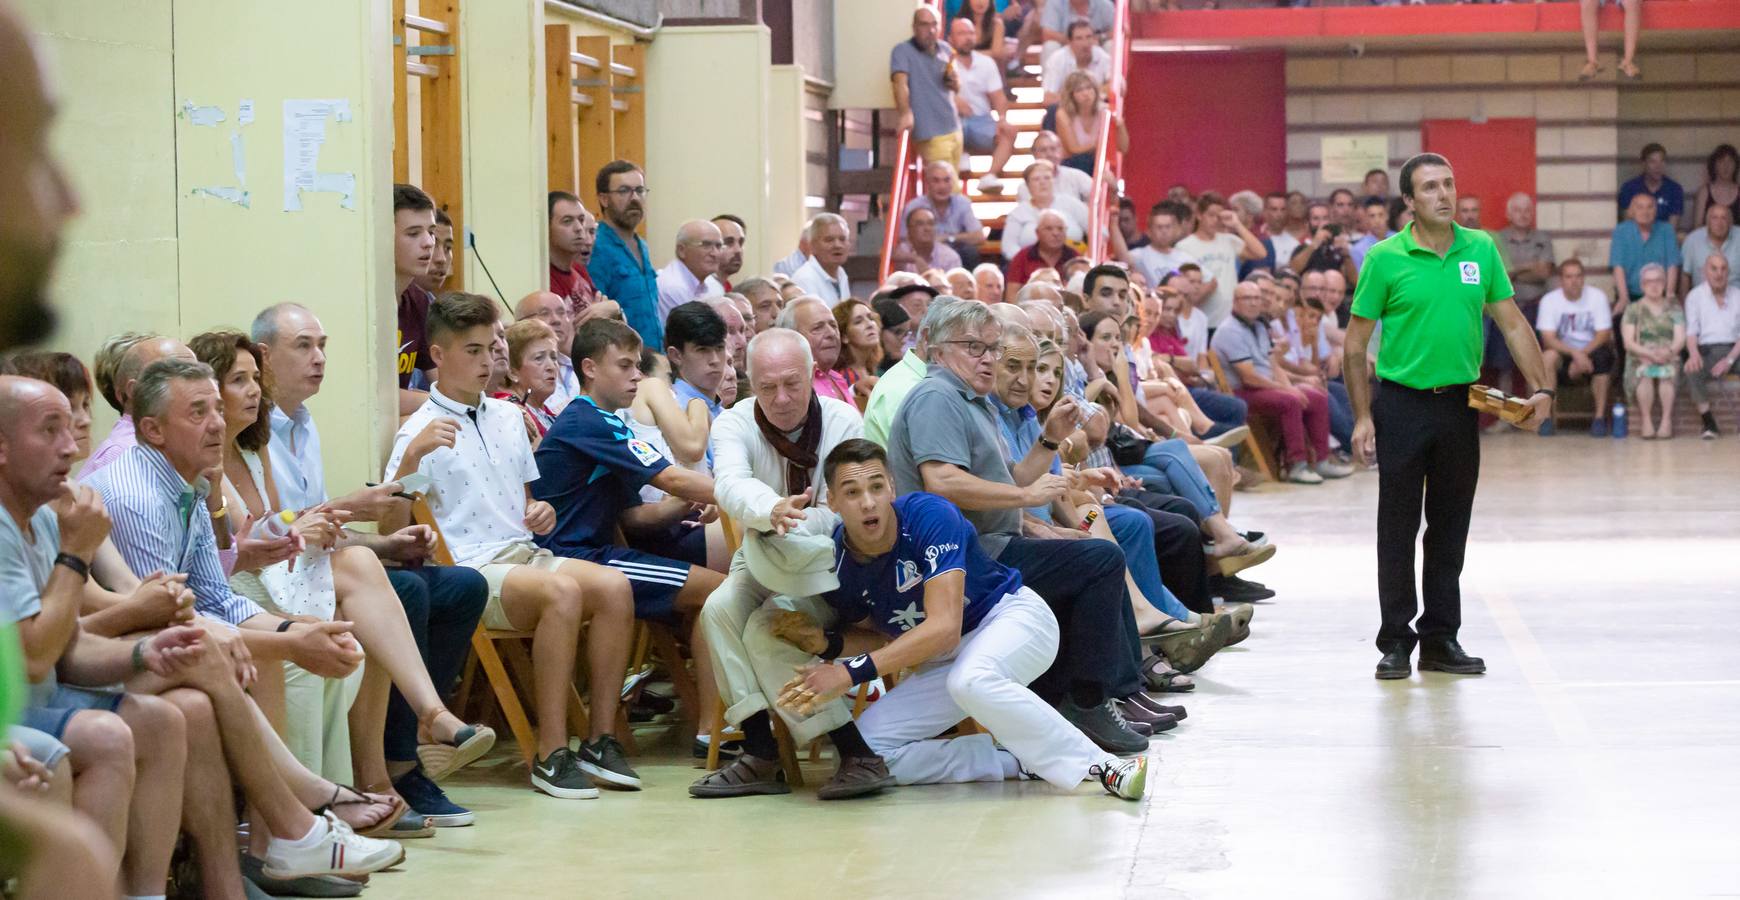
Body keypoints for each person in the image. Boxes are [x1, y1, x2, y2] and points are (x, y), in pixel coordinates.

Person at [80, 362, 412, 877]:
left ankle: (272, 851)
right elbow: (160, 617)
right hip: (124, 655)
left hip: (159, 648)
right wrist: (291, 641)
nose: (217, 422)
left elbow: (215, 597)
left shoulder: (189, 482)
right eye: (198, 411)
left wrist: (291, 631)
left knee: (268, 654)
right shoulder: (134, 495)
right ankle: (304, 813)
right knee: (224, 679)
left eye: (217, 407)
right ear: (152, 429)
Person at [775, 440, 1148, 800]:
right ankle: (1016, 761)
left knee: (971, 680)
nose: (868, 502)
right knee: (867, 751)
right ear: (833, 501)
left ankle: (1103, 767)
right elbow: (879, 634)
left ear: (891, 487)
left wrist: (848, 672)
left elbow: (944, 626)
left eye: (876, 486)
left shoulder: (929, 515)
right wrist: (828, 645)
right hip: (944, 661)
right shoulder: (837, 564)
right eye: (852, 492)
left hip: (1010, 619)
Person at [384, 293, 639, 799]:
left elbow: (525, 504)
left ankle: (600, 737)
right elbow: (393, 529)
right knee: (561, 593)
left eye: (491, 348)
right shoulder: (417, 431)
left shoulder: (507, 418)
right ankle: (550, 751)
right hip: (472, 568)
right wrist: (410, 458)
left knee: (614, 587)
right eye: (472, 351)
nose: (487, 361)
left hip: (522, 552)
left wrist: (538, 511)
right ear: (438, 355)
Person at [251, 303, 496, 828]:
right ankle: (393, 766)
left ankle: (416, 741)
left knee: (461, 586)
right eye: (304, 346)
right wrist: (361, 511)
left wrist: (388, 543)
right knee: (406, 592)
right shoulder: (251, 430)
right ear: (264, 357)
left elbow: (321, 533)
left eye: (323, 346)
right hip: (270, 572)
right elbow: (277, 529)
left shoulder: (302, 423)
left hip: (316, 563)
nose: (319, 359)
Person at [883, 300, 1152, 753]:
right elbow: (942, 482)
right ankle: (1086, 700)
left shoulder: (971, 400)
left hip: (992, 544)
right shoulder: (937, 398)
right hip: (961, 560)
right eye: (975, 347)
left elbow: (1012, 478)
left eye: (991, 347)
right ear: (939, 351)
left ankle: (1075, 697)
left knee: (1091, 553)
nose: (987, 358)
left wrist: (1048, 437)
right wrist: (1027, 501)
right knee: (1100, 560)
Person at [1345, 152, 1553, 681]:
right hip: (1401, 403)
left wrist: (1543, 388)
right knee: (1397, 527)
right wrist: (1363, 417)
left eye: (1449, 184)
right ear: (1410, 203)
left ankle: (1440, 639)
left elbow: (1511, 324)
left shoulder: (1480, 249)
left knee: (1449, 526)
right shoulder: (1385, 258)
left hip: (1461, 405)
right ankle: (1395, 641)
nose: (1444, 194)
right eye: (1430, 188)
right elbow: (1355, 345)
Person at [689, 329, 893, 800]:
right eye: (767, 387)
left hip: (830, 564)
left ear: (813, 376)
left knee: (769, 626)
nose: (780, 399)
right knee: (718, 610)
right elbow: (730, 485)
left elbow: (848, 508)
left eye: (792, 384)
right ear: (750, 382)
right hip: (760, 550)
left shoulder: (844, 420)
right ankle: (761, 749)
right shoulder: (734, 422)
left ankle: (854, 750)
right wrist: (771, 508)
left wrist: (795, 518)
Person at [530, 316, 730, 757]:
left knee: (711, 592)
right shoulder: (589, 420)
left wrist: (682, 506)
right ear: (589, 368)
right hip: (574, 556)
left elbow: (634, 516)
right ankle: (710, 730)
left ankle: (713, 726)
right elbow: (674, 477)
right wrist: (746, 496)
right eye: (624, 365)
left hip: (600, 550)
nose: (637, 376)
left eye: (638, 365)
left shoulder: (608, 420)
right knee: (717, 592)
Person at [1210, 283, 1346, 484]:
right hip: (1243, 391)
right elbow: (1249, 377)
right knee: (1290, 400)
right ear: (1235, 302)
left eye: (1257, 298)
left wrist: (1291, 386)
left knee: (1317, 396)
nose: (1254, 303)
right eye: (1248, 298)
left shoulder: (1259, 325)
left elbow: (1273, 365)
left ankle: (1321, 460)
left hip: (1267, 386)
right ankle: (1296, 464)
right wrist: (1287, 390)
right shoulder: (1230, 330)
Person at [1535, 258, 1617, 436]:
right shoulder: (1549, 301)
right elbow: (1548, 339)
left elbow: (1604, 334)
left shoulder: (1597, 297)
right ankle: (1546, 417)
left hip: (1591, 351)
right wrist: (1574, 354)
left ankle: (1599, 418)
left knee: (1604, 357)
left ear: (1584, 278)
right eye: (1569, 276)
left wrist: (1582, 355)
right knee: (1547, 357)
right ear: (1561, 280)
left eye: (1578, 276)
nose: (1574, 281)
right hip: (1563, 352)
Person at [588, 160, 662, 349]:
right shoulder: (596, 246)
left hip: (652, 355)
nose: (635, 198)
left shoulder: (642, 245)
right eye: (624, 191)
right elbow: (596, 316)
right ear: (604, 199)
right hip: (621, 356)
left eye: (640, 190)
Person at [947, 17, 1016, 194]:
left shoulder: (986, 63)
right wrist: (953, 99)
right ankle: (960, 155)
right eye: (961, 33)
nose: (967, 37)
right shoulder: (943, 64)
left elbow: (999, 97)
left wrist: (1002, 119)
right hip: (952, 121)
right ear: (951, 39)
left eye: (970, 33)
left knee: (1009, 132)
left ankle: (989, 176)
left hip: (981, 120)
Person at [1177, 193, 1266, 328]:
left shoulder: (1229, 240)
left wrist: (1237, 225)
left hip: (1230, 318)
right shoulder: (1184, 246)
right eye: (1211, 215)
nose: (1215, 220)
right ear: (1199, 215)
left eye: (1219, 216)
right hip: (1202, 318)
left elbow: (1260, 253)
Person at [890, 5, 962, 165]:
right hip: (929, 133)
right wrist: (905, 113)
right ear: (914, 27)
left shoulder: (946, 49)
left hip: (954, 127)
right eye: (924, 24)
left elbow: (957, 87)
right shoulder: (902, 51)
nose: (930, 30)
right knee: (947, 186)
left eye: (934, 24)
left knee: (952, 184)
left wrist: (954, 81)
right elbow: (900, 84)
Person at [1621, 264, 1685, 440]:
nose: (1654, 285)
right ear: (1642, 285)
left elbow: (1680, 338)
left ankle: (1666, 421)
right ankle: (1646, 421)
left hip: (1668, 354)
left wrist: (1668, 352)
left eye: (1658, 280)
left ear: (1665, 283)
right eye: (1649, 281)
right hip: (1641, 354)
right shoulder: (1633, 309)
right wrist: (1648, 354)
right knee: (1644, 374)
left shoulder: (1674, 308)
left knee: (1667, 374)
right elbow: (1628, 342)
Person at [1683, 252, 1740, 439]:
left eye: (1723, 269)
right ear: (1704, 272)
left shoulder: (1738, 295)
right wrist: (1693, 354)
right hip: (1706, 351)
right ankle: (1709, 423)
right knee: (1691, 369)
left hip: (1735, 350)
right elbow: (1691, 331)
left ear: (1728, 272)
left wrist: (1729, 360)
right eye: (1713, 268)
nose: (1719, 273)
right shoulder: (1694, 296)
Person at [549, 192, 620, 324]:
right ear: (547, 228)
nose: (579, 228)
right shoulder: (545, 277)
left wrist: (615, 307)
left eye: (581, 220)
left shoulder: (579, 269)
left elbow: (608, 316)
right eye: (567, 221)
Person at [902, 160, 987, 269]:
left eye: (947, 180)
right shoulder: (914, 206)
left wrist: (947, 238)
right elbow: (904, 239)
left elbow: (979, 236)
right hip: (924, 252)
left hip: (955, 251)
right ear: (927, 183)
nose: (942, 186)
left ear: (953, 183)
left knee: (970, 252)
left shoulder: (962, 202)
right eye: (936, 181)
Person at [1002, 161, 1088, 261]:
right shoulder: (1018, 213)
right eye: (1036, 179)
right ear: (1027, 186)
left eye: (1047, 178)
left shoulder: (1072, 203)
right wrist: (1025, 261)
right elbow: (1008, 245)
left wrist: (1087, 257)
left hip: (1073, 261)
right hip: (1030, 264)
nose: (1042, 182)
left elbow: (1097, 231)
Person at [779, 297, 854, 409]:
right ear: (792, 337)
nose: (831, 333)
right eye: (818, 328)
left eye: (833, 325)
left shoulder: (837, 378)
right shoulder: (792, 387)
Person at [515, 291, 582, 413]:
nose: (556, 320)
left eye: (562, 312)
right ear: (521, 323)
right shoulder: (518, 370)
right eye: (545, 313)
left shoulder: (581, 365)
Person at [1052, 71, 1126, 176]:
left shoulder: (1105, 111)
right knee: (1084, 160)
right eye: (1079, 90)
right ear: (1071, 95)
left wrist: (1120, 126)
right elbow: (1073, 149)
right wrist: (1100, 144)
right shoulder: (1063, 114)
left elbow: (1123, 148)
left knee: (1104, 171)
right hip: (1072, 165)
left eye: (1089, 88)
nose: (1086, 93)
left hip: (1097, 164)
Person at [497, 319, 562, 436]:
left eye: (553, 357)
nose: (551, 366)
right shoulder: (508, 410)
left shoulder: (545, 412)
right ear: (512, 372)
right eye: (539, 358)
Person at [656, 219, 726, 322]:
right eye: (706, 245)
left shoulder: (714, 285)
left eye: (718, 246)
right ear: (681, 250)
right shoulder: (670, 287)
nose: (715, 253)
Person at [1005, 210, 1081, 301]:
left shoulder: (1075, 258)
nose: (1056, 233)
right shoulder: (1022, 257)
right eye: (1049, 228)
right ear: (1037, 233)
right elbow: (1011, 296)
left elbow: (1080, 295)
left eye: (1060, 229)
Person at [1122, 201, 1197, 291]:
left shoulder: (1186, 258)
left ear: (1175, 229)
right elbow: (1123, 258)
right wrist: (1113, 223)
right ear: (1149, 231)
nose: (1164, 231)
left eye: (1168, 227)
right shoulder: (1140, 255)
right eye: (1159, 227)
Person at [1041, 19, 1111, 106]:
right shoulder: (1057, 60)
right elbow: (1048, 98)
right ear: (1069, 42)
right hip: (1067, 110)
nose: (1085, 43)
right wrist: (1079, 97)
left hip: (1096, 109)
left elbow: (1113, 87)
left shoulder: (1102, 56)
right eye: (1079, 38)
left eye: (1089, 37)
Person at [790, 214, 854, 307]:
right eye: (829, 240)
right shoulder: (804, 279)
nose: (837, 245)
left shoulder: (841, 274)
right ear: (812, 246)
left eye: (842, 239)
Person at [1019, 130, 1094, 206]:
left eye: (1053, 149)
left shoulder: (1076, 176)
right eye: (1043, 150)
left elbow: (1097, 195)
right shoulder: (1025, 187)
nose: (1049, 154)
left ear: (1061, 151)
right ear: (1034, 154)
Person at [1618, 143, 1683, 228]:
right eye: (1653, 162)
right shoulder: (1629, 188)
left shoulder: (1674, 189)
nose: (1658, 166)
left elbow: (1671, 228)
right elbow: (1628, 225)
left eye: (1662, 161)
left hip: (1663, 239)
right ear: (1644, 164)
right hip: (1635, 239)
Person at [1681, 203, 1739, 296]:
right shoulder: (1692, 240)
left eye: (1724, 218)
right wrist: (1684, 306)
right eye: (1714, 218)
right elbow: (1685, 275)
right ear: (1707, 222)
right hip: (1702, 300)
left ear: (1731, 223)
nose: (1719, 223)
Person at [834, 299, 884, 405]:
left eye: (871, 318)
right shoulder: (840, 378)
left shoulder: (873, 369)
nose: (870, 324)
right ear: (844, 336)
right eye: (858, 322)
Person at [893, 206, 964, 274]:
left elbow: (955, 285)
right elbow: (886, 254)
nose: (927, 228)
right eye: (920, 224)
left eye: (931, 224)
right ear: (909, 230)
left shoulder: (950, 257)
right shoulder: (903, 249)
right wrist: (915, 258)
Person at [712, 213, 747, 290]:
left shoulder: (727, 287)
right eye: (728, 242)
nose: (738, 250)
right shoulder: (697, 291)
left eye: (741, 242)